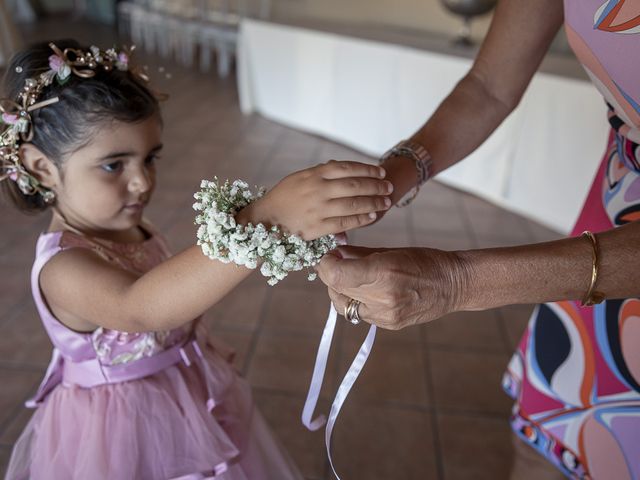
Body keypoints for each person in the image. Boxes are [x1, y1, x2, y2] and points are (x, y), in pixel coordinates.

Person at [0, 39, 393, 479]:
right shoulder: (63, 269)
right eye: (114, 165)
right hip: (121, 429)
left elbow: (180, 292)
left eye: (150, 159)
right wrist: (267, 220)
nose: (142, 183)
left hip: (188, 393)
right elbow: (141, 307)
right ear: (40, 167)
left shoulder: (127, 226)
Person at [316, 0, 640, 478]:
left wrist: (456, 282)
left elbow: (455, 282)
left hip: (607, 260)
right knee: (546, 446)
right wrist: (390, 179)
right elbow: (489, 87)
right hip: (610, 223)